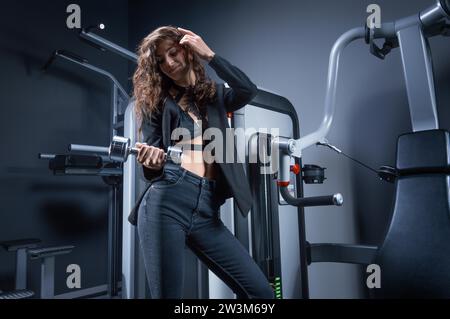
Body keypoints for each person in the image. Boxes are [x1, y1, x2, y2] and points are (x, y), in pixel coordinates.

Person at [129, 26, 273, 299]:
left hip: (207, 207)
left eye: (173, 53)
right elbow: (151, 163)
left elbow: (247, 90)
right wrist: (152, 161)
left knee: (261, 294)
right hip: (168, 199)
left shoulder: (217, 95)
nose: (169, 63)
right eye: (160, 60)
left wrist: (210, 55)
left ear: (187, 49)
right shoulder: (156, 101)